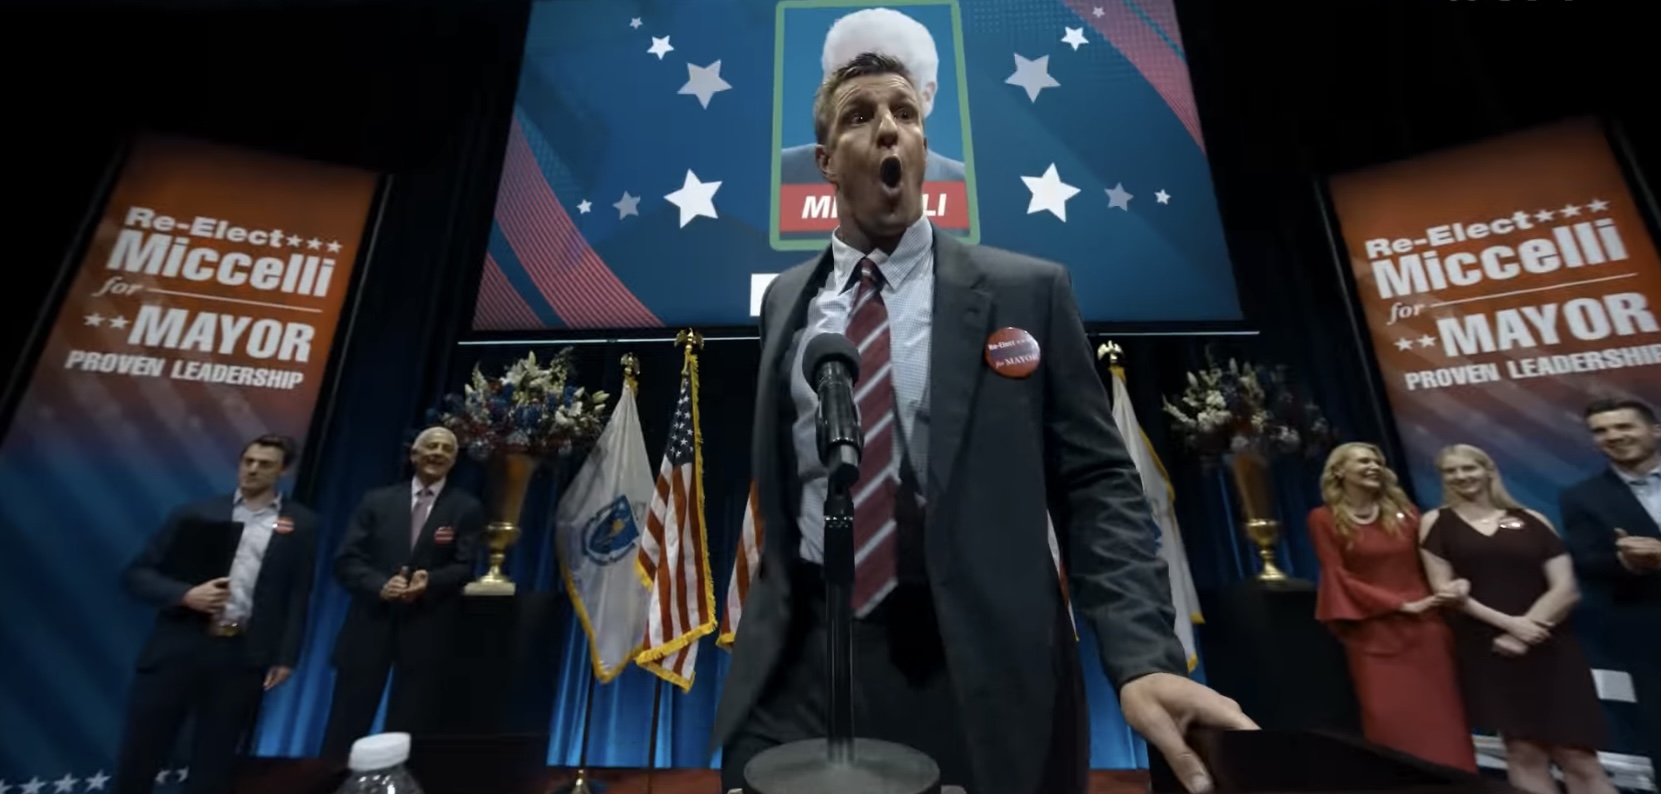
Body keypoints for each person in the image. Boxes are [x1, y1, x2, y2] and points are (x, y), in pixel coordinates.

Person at [712, 52, 1253, 794]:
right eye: (860, 116)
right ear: (825, 161)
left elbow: (1096, 484)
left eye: (906, 113)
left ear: (923, 146)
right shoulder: (784, 301)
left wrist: (1142, 657)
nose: (889, 129)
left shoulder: (1027, 291)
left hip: (978, 673)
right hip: (806, 670)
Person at [113, 434, 319, 794]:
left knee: (215, 764)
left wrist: (286, 656)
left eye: (265, 464)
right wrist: (186, 595)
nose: (252, 469)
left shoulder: (302, 524)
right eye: (248, 461)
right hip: (178, 647)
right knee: (141, 754)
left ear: (284, 471)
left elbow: (298, 594)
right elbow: (137, 575)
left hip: (241, 656)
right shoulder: (196, 513)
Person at [1420, 444, 1613, 794]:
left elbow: (1566, 588)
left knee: (1578, 755)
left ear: (1488, 470)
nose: (1461, 476)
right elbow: (1446, 593)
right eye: (1451, 471)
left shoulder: (1531, 519)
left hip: (1550, 645)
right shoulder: (1436, 522)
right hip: (1489, 648)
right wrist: (1510, 626)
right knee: (1524, 751)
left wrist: (1527, 629)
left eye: (1469, 468)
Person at [1305, 441, 1476, 771]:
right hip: (1371, 631)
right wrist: (1399, 604)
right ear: (1339, 471)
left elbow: (1432, 561)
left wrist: (1452, 585)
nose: (1373, 466)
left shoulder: (1408, 513)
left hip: (1425, 629)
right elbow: (1337, 575)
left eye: (1377, 461)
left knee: (1443, 722)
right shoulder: (1323, 519)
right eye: (1363, 461)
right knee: (1389, 721)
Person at [320, 426, 484, 756]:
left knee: (410, 731)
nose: (438, 453)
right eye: (431, 446)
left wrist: (429, 582)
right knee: (345, 725)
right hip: (370, 625)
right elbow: (347, 559)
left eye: (447, 449)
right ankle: (333, 779)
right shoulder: (377, 500)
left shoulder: (466, 507)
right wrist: (380, 586)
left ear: (454, 461)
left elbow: (464, 567)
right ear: (414, 455)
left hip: (426, 631)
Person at [1559, 398, 1661, 775]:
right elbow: (1588, 563)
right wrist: (1627, 563)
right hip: (1650, 634)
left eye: (1624, 426)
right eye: (1600, 431)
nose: (1613, 436)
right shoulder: (1581, 497)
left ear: (1655, 430)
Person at [778, 8, 966, 185]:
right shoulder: (778, 173)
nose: (884, 127)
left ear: (926, 95)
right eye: (846, 78)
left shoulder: (964, 184)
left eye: (889, 76)